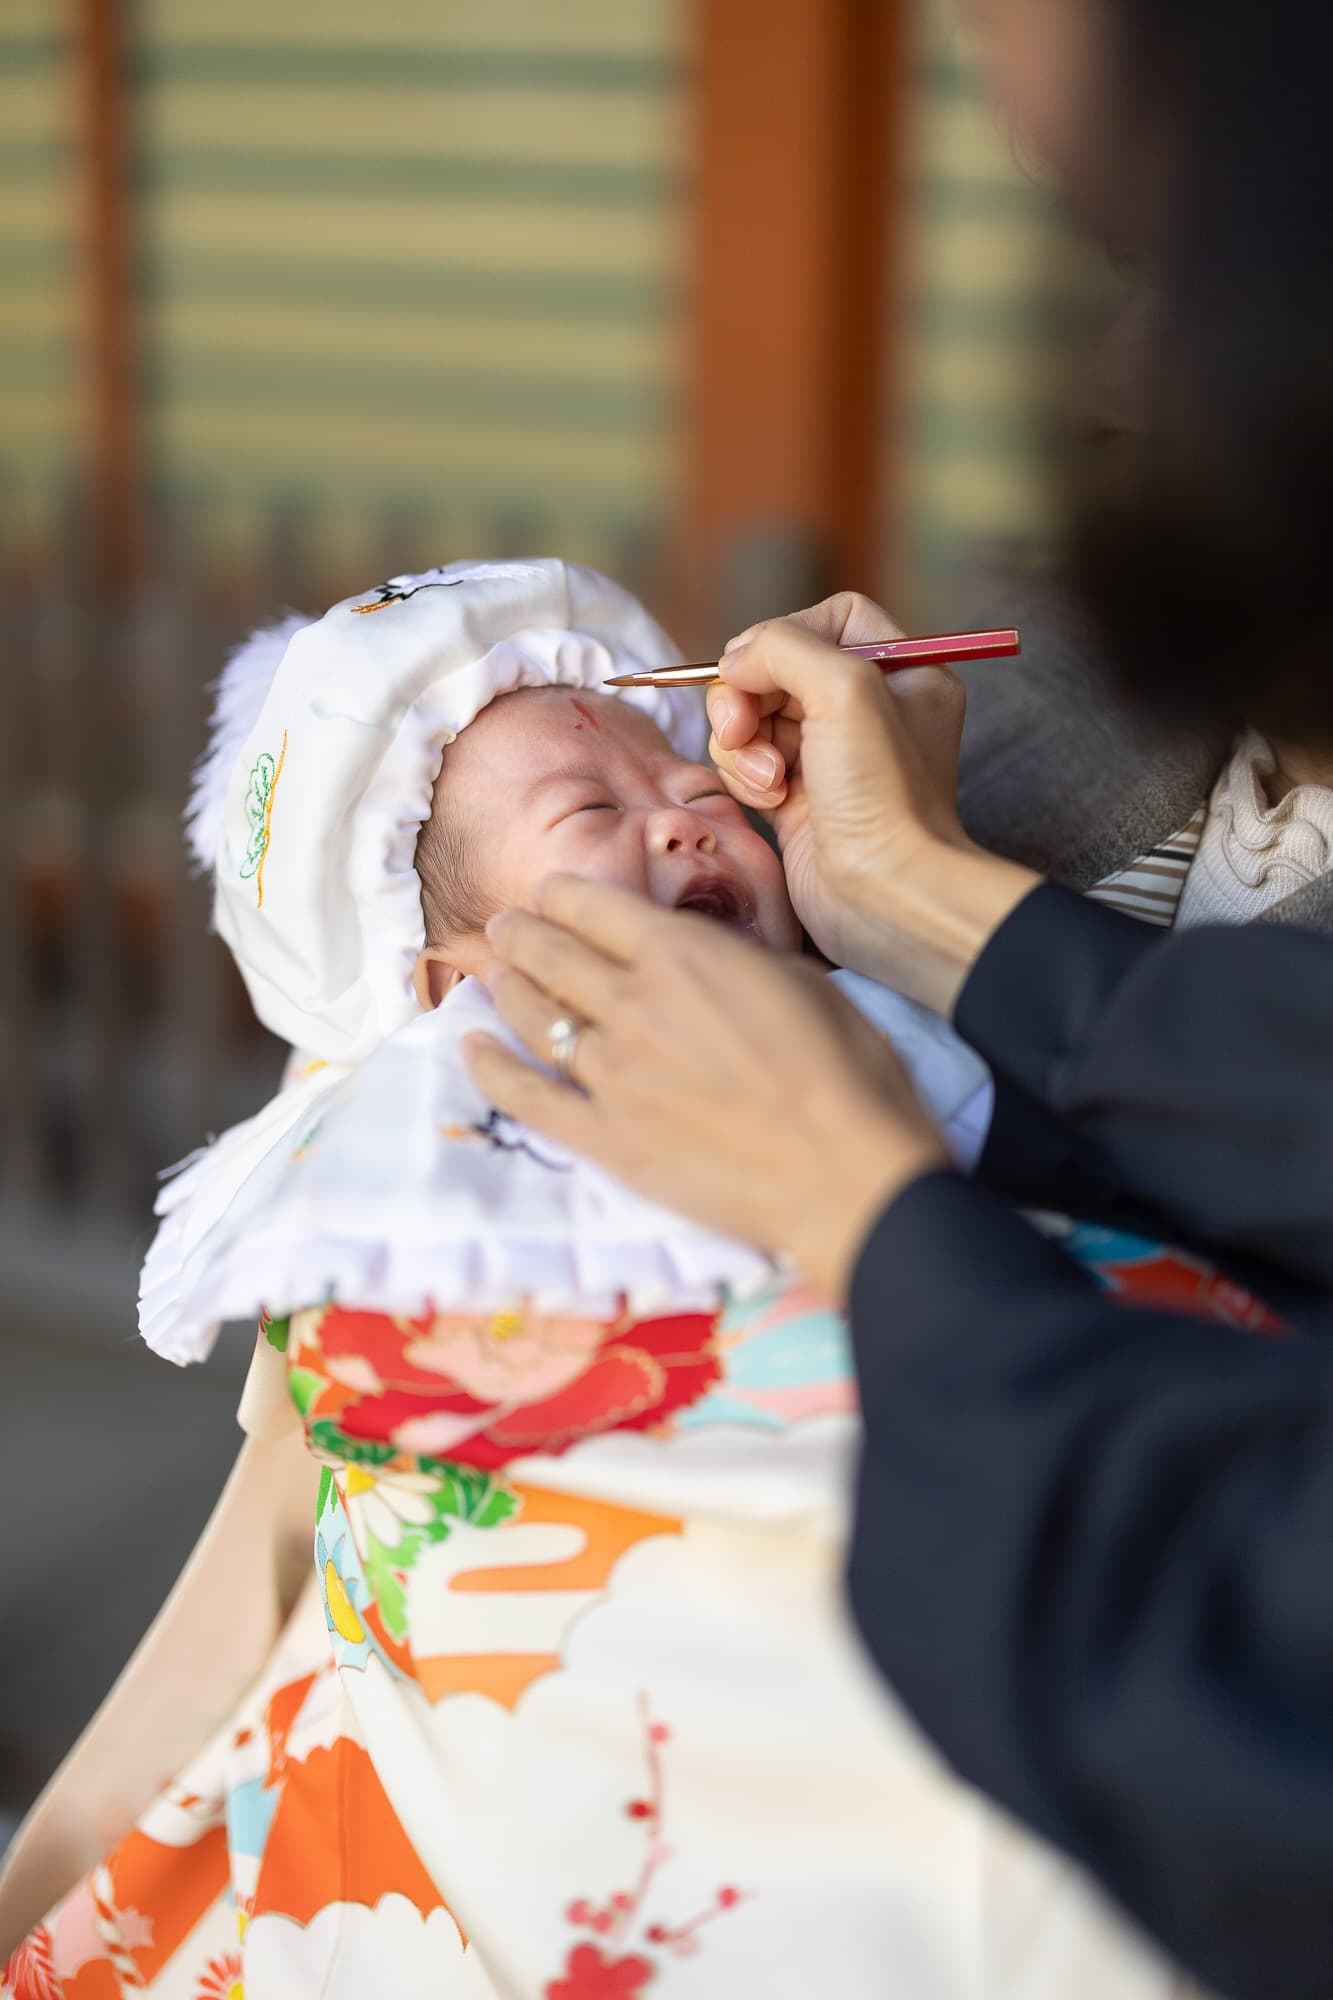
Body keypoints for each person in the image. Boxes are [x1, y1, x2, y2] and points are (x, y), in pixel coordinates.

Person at [458, 6, 1333, 2000]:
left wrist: (862, 1205)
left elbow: (1235, 1655)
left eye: (1174, 261)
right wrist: (917, 890)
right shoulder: (981, 761)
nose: (1111, 377)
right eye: (1108, 263)